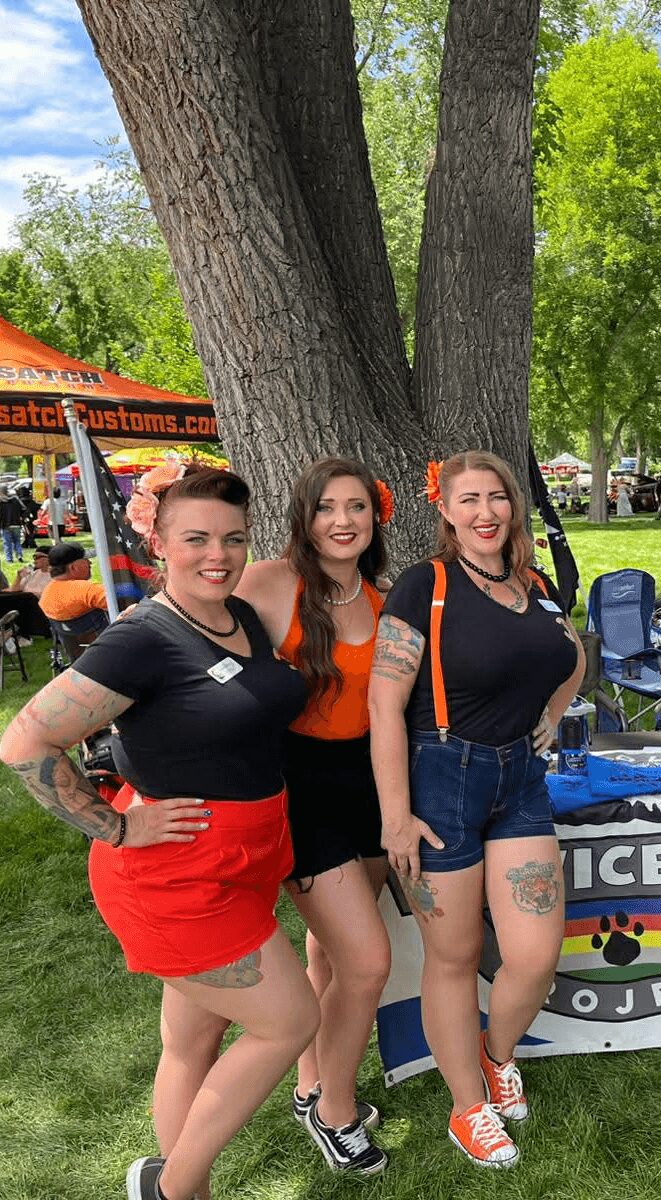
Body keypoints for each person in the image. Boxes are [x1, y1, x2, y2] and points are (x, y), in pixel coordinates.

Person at [0, 466, 318, 1200]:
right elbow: (24, 743)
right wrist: (115, 824)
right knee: (288, 1020)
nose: (219, 554)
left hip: (245, 860)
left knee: (193, 1041)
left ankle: (184, 1190)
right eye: (197, 538)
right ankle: (172, 1187)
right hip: (178, 875)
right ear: (158, 543)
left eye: (233, 538)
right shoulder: (143, 638)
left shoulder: (236, 614)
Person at [370, 450, 584, 1169]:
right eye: (469, 500)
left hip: (521, 778)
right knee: (455, 957)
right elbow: (383, 703)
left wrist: (555, 710)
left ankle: (496, 1056)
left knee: (534, 953)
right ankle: (468, 1109)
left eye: (497, 498)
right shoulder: (423, 585)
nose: (486, 512)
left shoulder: (533, 582)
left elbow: (571, 652)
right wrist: (395, 817)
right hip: (441, 777)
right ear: (445, 511)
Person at [233, 457, 392, 1176]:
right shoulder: (269, 582)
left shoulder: (387, 601)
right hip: (297, 786)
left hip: (374, 781)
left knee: (330, 950)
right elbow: (189, 644)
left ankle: (308, 1085)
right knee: (367, 961)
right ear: (305, 516)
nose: (342, 521)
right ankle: (337, 1114)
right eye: (328, 507)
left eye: (356, 507)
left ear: (374, 518)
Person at [38, 542, 109, 630]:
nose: (90, 562)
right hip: (110, 640)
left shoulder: (46, 594)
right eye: (85, 559)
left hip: (73, 643)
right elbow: (125, 602)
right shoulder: (89, 590)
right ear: (73, 567)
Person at [0, 544, 52, 640]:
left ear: (49, 559)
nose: (34, 559)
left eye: (38, 557)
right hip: (25, 604)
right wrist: (19, 577)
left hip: (40, 609)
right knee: (4, 595)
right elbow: (14, 590)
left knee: (28, 596)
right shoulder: (33, 573)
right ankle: (6, 630)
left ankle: (16, 632)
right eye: (34, 556)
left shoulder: (54, 576)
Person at [0, 484, 23, 563]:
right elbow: (24, 508)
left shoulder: (1, 501)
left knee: (7, 543)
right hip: (17, 523)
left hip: (5, 525)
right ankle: (19, 555)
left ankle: (9, 559)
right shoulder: (15, 499)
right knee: (17, 541)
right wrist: (21, 517)